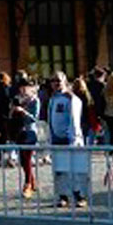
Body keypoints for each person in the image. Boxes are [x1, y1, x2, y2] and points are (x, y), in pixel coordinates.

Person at [47, 71, 88, 208]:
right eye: (53, 81)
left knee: (75, 170)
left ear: (64, 81)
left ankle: (79, 195)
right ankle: (62, 196)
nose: (55, 83)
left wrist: (73, 138)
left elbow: (74, 121)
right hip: (56, 139)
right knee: (60, 171)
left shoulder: (72, 99)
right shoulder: (52, 98)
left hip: (70, 140)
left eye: (58, 80)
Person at [11, 79, 40, 198]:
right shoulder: (18, 99)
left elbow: (34, 118)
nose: (23, 90)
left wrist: (23, 111)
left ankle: (27, 184)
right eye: (21, 88)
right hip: (19, 130)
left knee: (27, 157)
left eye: (25, 87)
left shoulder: (34, 100)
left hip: (30, 131)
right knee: (23, 159)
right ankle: (32, 181)